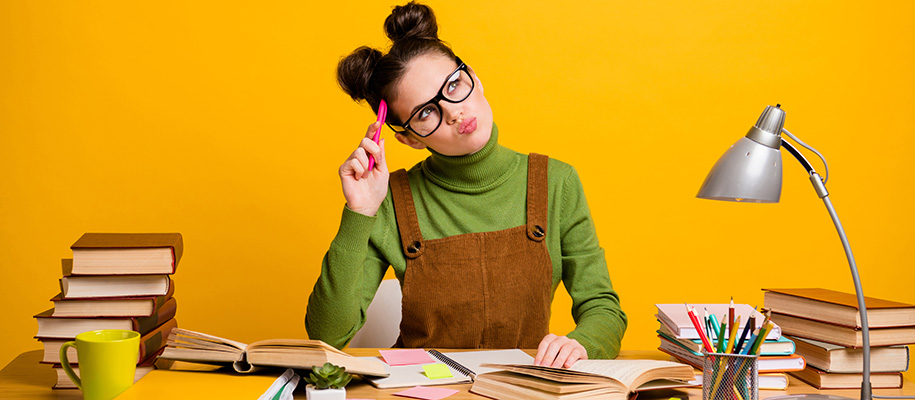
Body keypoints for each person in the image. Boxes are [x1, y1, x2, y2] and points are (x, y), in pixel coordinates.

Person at [305, 1, 626, 368]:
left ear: (473, 75)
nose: (454, 112)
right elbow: (327, 336)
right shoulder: (390, 200)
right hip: (418, 389)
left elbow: (604, 309)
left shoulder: (557, 182)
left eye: (454, 84)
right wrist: (359, 212)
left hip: (524, 387)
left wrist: (582, 343)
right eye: (426, 112)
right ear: (409, 139)